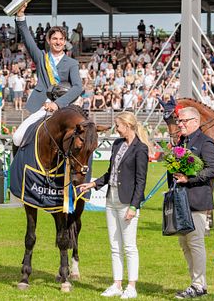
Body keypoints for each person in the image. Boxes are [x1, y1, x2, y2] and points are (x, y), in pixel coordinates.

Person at [77, 112, 149, 299]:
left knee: (129, 246)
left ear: (128, 125)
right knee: (114, 245)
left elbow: (141, 181)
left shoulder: (140, 149)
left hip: (127, 201)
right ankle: (117, 283)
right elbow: (111, 173)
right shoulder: (117, 144)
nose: (116, 129)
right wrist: (93, 184)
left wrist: (134, 206)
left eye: (118, 126)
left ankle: (131, 286)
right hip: (112, 198)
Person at [12, 3, 83, 149]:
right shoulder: (41, 57)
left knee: (82, 142)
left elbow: (77, 87)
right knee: (17, 138)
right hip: (41, 107)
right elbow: (27, 38)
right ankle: (18, 171)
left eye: (61, 39)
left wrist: (57, 104)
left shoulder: (72, 63)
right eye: (55, 39)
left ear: (65, 41)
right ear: (49, 41)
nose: (58, 42)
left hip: (65, 109)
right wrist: (20, 16)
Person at [170, 106, 214, 299]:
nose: (179, 124)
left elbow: (213, 169)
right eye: (179, 121)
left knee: (195, 242)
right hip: (180, 199)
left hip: (197, 199)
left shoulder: (206, 142)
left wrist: (189, 178)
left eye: (183, 121)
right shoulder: (182, 142)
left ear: (195, 122)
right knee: (185, 244)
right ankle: (196, 283)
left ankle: (199, 284)